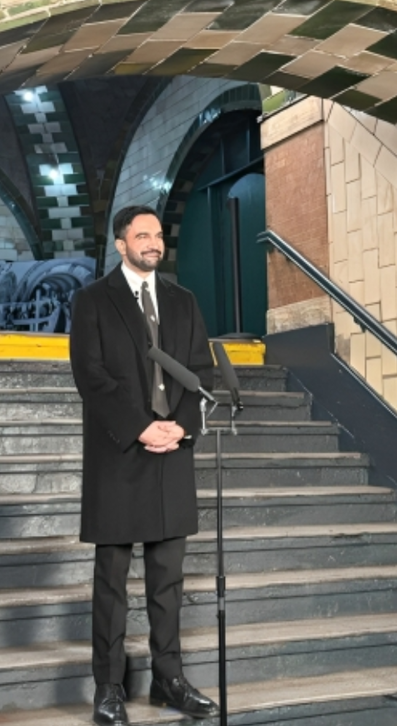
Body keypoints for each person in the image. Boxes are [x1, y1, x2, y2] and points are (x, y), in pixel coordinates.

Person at [69, 206, 221, 726]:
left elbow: (201, 373)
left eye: (157, 235)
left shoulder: (183, 301)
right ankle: (109, 686)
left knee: (167, 581)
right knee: (111, 582)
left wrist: (181, 427)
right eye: (142, 236)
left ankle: (168, 679)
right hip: (119, 454)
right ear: (121, 244)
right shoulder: (93, 300)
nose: (153, 243)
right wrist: (140, 427)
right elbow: (90, 376)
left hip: (171, 455)